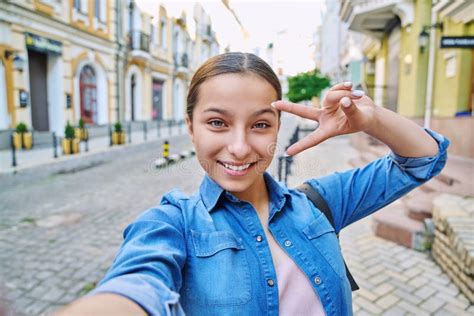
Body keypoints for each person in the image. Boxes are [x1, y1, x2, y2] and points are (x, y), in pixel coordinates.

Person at [56, 52, 448, 316]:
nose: (240, 148)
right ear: (190, 128)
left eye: (260, 124)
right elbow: (136, 286)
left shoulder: (319, 203)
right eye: (217, 123)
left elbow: (424, 159)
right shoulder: (172, 224)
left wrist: (370, 120)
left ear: (279, 127)